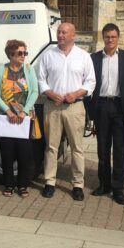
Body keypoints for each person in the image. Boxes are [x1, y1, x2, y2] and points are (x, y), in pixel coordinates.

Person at [37, 22, 96, 200]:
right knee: (51, 146)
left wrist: (77, 93)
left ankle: (77, 184)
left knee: (77, 147)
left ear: (73, 35)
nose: (60, 35)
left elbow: (90, 82)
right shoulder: (48, 55)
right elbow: (40, 79)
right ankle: (49, 182)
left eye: (64, 32)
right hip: (52, 106)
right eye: (59, 32)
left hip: (75, 107)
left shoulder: (84, 56)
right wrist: (50, 93)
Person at [88, 23, 124, 205]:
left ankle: (118, 188)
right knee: (102, 148)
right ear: (103, 37)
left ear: (118, 38)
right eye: (107, 37)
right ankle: (104, 184)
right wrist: (90, 112)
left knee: (120, 149)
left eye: (113, 37)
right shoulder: (93, 58)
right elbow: (87, 85)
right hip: (101, 106)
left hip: (119, 107)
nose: (110, 40)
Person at [0, 39, 39, 197]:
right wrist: (7, 111)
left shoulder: (28, 70)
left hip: (24, 118)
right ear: (10, 54)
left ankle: (23, 185)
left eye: (25, 52)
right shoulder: (1, 70)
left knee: (24, 154)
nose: (23, 55)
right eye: (20, 53)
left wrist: (24, 111)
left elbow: (34, 92)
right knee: (7, 153)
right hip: (6, 118)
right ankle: (9, 185)